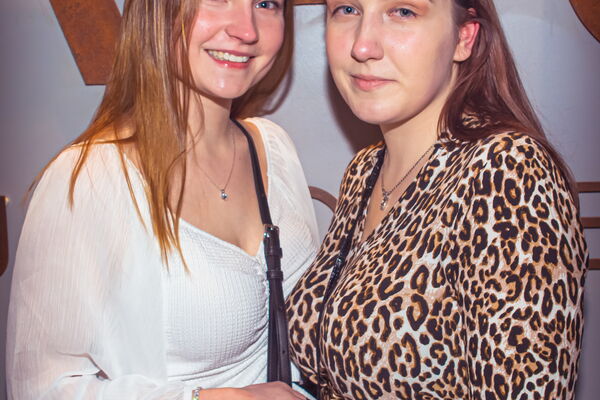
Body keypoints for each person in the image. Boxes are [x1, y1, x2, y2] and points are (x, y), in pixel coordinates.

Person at [6, 0, 318, 399]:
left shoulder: (273, 147)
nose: (247, 29)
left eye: (266, 2)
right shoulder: (90, 178)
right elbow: (41, 388)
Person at [287, 0, 588, 399]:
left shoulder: (507, 170)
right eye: (347, 9)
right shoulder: (365, 169)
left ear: (464, 37)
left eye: (403, 12)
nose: (363, 46)